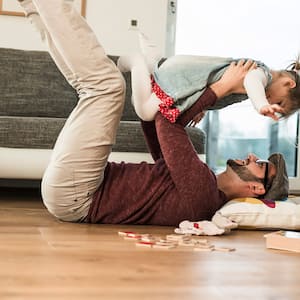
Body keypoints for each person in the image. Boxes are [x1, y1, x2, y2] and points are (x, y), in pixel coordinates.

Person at [18, 0, 289, 227]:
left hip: (80, 195)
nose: (253, 156)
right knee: (93, 86)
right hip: (78, 187)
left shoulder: (205, 198)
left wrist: (218, 89)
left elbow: (167, 123)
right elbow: (154, 127)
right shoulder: (200, 182)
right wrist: (197, 100)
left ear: (257, 189)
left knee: (106, 87)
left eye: (261, 164)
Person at [117, 33, 300, 124]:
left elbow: (213, 88)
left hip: (184, 79)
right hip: (182, 77)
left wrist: (199, 106)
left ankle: (152, 59)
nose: (273, 105)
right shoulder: (261, 73)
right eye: (280, 102)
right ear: (288, 83)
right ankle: (137, 61)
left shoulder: (259, 82)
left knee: (140, 99)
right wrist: (261, 104)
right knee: (145, 112)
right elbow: (252, 82)